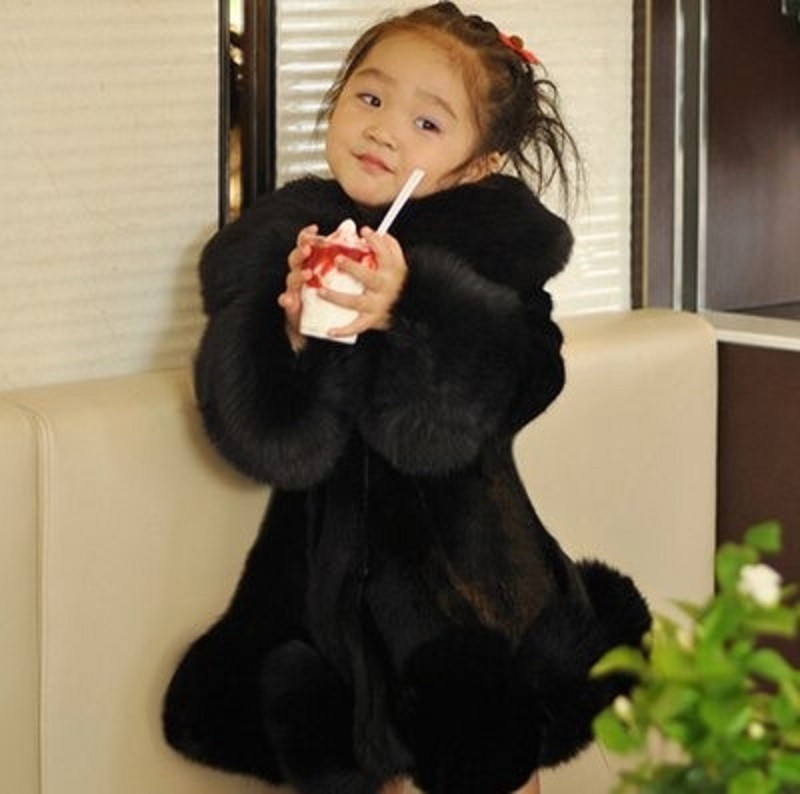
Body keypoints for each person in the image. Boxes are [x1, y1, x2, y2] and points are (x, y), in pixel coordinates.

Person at [162, 3, 650, 793]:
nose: (385, 130)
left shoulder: (495, 259)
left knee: (485, 766)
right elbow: (269, 446)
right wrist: (289, 336)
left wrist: (411, 306)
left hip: (468, 582)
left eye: (428, 122)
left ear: (478, 163)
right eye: (370, 97)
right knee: (361, 760)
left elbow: (521, 384)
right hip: (324, 590)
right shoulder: (288, 243)